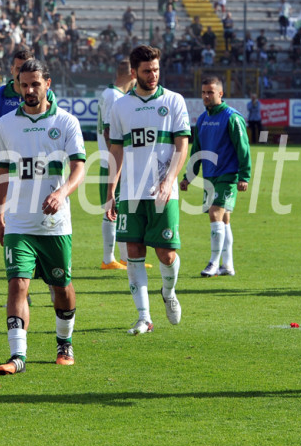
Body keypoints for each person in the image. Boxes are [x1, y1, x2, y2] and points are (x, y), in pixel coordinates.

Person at [0, 59, 86, 374]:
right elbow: (2, 172)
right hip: (18, 222)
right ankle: (17, 356)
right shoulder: (6, 124)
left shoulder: (66, 122)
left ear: (48, 84)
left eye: (35, 84)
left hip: (54, 225)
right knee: (18, 284)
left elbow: (79, 168)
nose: (29, 90)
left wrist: (62, 193)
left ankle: (64, 342)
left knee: (61, 287)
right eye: (24, 85)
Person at [105, 45, 190, 335]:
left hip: (163, 192)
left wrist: (169, 179)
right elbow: (116, 151)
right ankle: (144, 317)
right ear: (134, 72)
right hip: (131, 192)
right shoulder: (120, 106)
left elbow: (182, 145)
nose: (153, 75)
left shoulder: (174, 101)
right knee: (133, 251)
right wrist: (111, 192)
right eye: (146, 71)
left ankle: (168, 291)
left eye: (156, 69)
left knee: (166, 254)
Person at [180, 75, 250, 277]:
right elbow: (197, 150)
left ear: (221, 93)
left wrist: (244, 176)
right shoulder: (203, 119)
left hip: (228, 176)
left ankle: (213, 263)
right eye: (203, 92)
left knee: (215, 214)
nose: (206, 96)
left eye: (210, 92)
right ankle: (227, 265)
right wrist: (188, 177)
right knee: (224, 219)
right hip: (210, 177)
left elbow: (243, 148)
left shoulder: (232, 117)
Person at [96, 59, 134, 270]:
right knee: (112, 209)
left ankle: (125, 258)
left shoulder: (108, 93)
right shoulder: (114, 96)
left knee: (119, 210)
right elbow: (109, 131)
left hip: (109, 161)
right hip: (112, 163)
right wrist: (116, 161)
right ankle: (108, 258)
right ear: (132, 74)